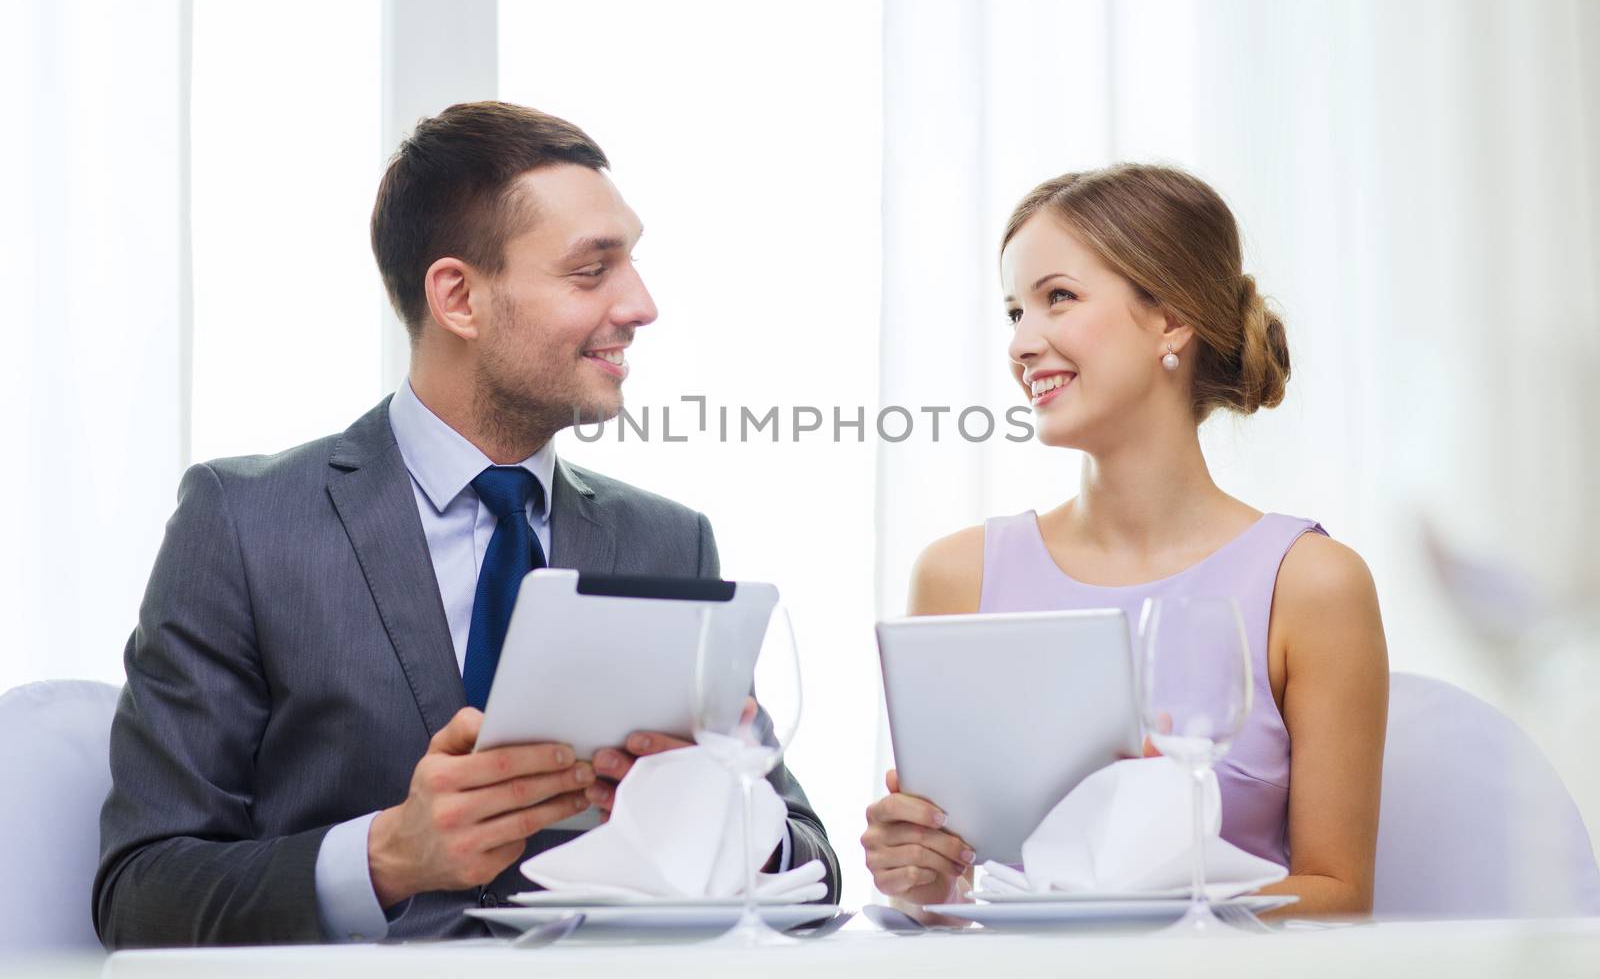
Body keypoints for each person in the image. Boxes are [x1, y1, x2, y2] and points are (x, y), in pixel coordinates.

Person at [95, 101, 839, 947]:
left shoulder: (669, 541)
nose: (642, 305)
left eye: (632, 262)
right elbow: (139, 891)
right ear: (457, 296)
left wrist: (733, 817)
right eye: (592, 271)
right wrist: (383, 857)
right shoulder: (246, 524)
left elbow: (811, 867)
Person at [860, 164, 1387, 920]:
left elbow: (1339, 895)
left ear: (1171, 320)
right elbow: (948, 896)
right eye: (1013, 312)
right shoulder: (957, 575)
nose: (1022, 343)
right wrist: (923, 878)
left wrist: (1133, 893)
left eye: (1058, 298)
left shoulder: (1311, 584)